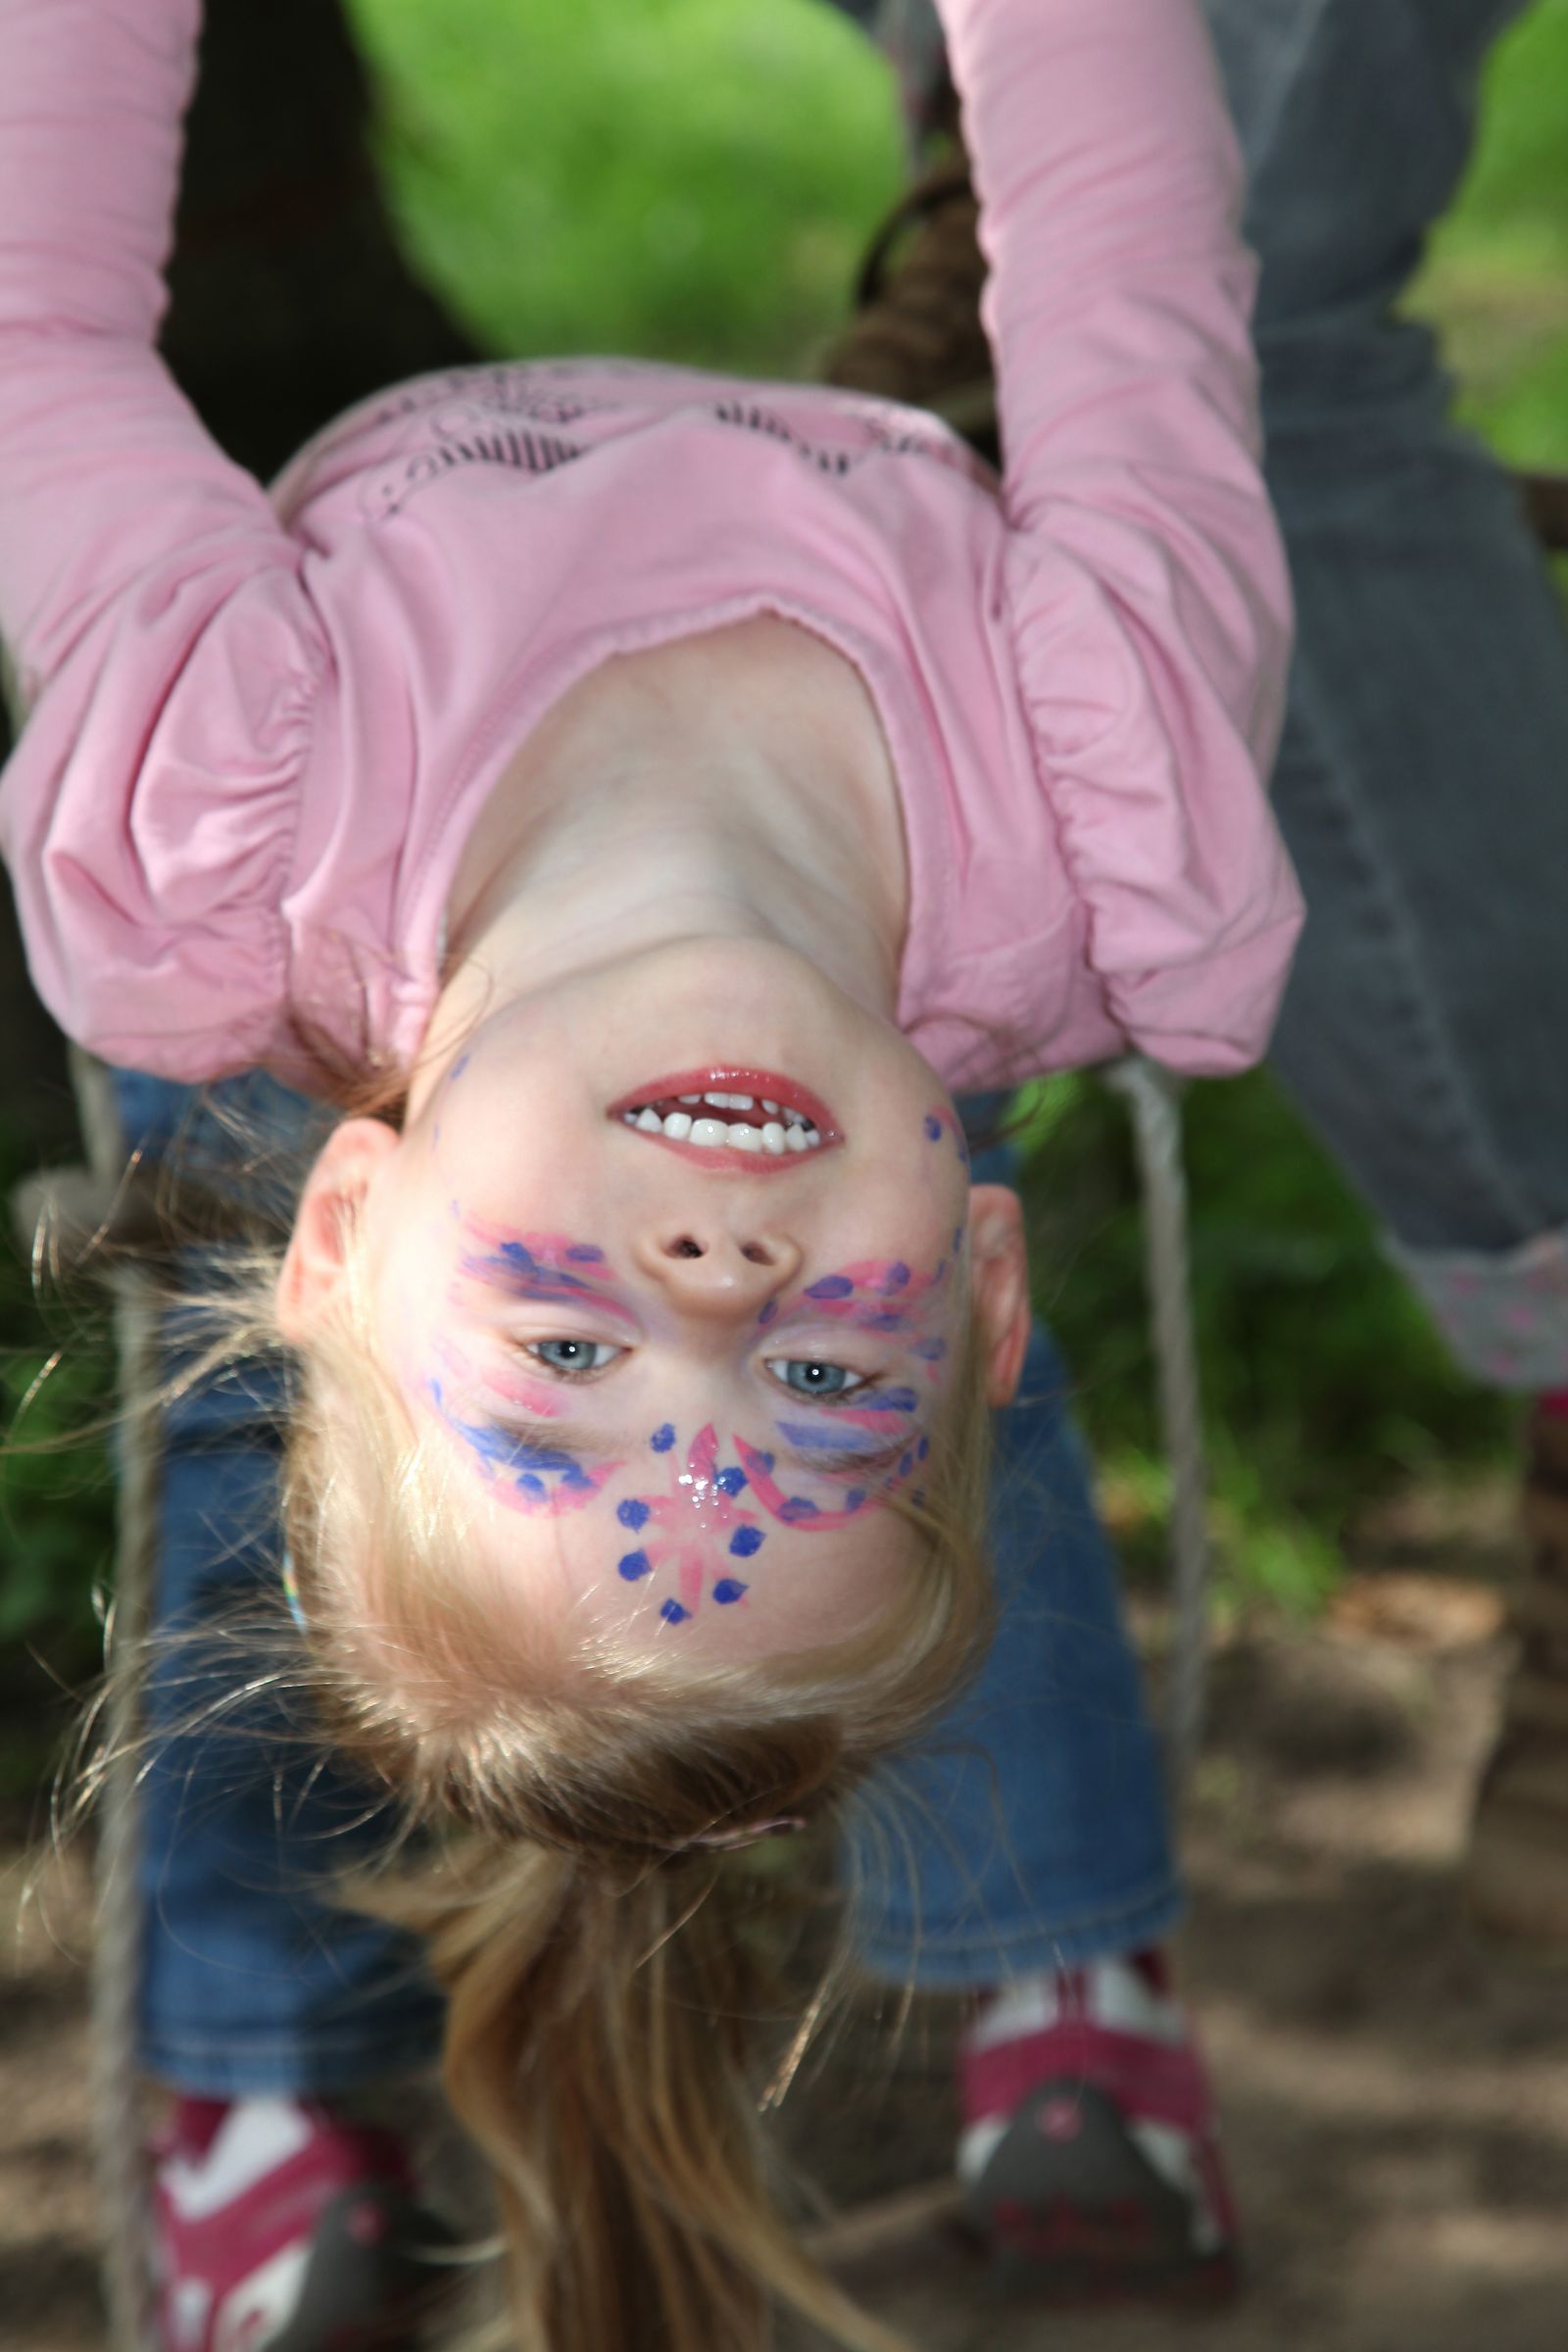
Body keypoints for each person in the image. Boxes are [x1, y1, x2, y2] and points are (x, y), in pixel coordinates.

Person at [0, 4, 1298, 2350]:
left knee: (235, 1488)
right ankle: (1060, 1960)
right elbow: (1132, 276)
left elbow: (33, 327)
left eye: (572, 1351)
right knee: (774, 1548)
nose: (709, 1277)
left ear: (354, 1224)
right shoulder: (1115, 821)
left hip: (351, 938)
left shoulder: (209, 813)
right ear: (974, 1293)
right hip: (910, 955)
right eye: (817, 1370)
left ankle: (253, 2090)